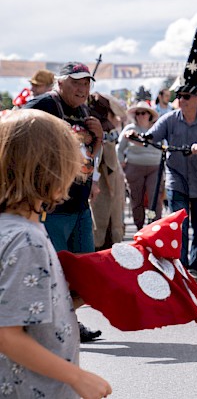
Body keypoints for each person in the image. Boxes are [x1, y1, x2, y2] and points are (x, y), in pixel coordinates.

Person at [0, 109, 112, 399]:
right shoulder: (26, 240)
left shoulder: (18, 228)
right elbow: (7, 334)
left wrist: (79, 296)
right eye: (75, 157)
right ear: (48, 169)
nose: (84, 163)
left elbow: (26, 308)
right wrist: (77, 377)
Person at [22, 61, 104, 342]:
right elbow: (18, 140)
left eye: (86, 84)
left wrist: (99, 138)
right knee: (54, 273)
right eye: (76, 83)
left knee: (85, 276)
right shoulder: (43, 106)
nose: (82, 89)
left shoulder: (83, 110)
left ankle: (64, 321)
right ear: (60, 83)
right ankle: (53, 326)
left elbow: (88, 155)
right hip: (52, 207)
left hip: (79, 205)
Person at [141, 32, 197, 281]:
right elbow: (152, 136)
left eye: (186, 97)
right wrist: (140, 136)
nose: (181, 100)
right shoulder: (169, 119)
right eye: (179, 97)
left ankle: (194, 268)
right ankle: (182, 266)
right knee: (180, 223)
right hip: (177, 177)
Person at [87, 93, 126, 251]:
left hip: (107, 182)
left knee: (107, 223)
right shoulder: (102, 129)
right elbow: (97, 161)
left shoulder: (105, 129)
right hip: (102, 184)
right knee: (102, 223)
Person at [117, 101, 162, 230]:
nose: (141, 115)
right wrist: (121, 161)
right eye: (138, 113)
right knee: (136, 199)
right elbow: (119, 148)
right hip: (134, 167)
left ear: (149, 115)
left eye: (144, 113)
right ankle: (140, 227)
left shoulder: (156, 129)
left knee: (154, 198)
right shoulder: (129, 129)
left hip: (155, 167)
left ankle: (154, 225)